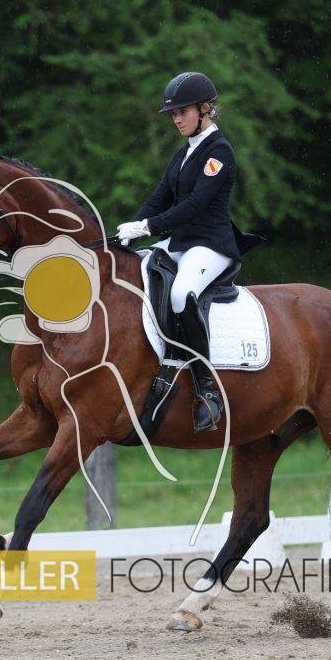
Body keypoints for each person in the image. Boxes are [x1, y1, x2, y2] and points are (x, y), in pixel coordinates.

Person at [115, 71, 242, 432]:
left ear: (205, 109)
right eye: (173, 114)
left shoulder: (219, 151)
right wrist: (128, 232)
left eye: (182, 112)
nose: (176, 119)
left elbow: (196, 205)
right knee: (131, 272)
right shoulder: (183, 153)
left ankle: (207, 388)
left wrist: (148, 227)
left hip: (211, 244)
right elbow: (159, 199)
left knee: (181, 294)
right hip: (179, 244)